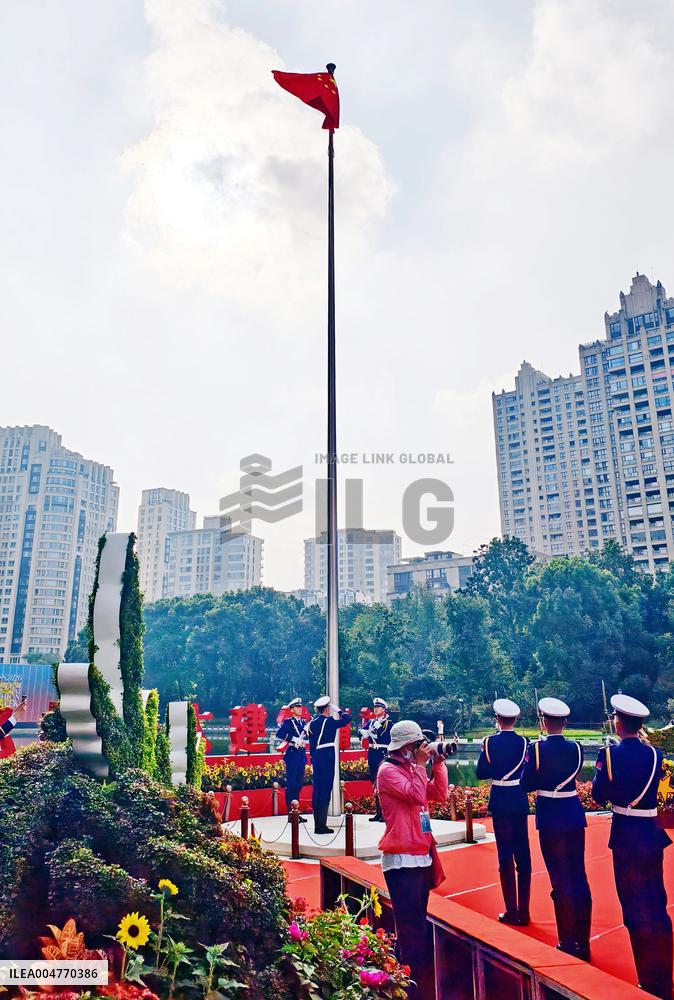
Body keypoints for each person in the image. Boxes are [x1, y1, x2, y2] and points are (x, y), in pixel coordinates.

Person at [593, 694, 673, 1000]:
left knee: (634, 908)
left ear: (617, 722)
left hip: (626, 834)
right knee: (656, 905)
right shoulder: (655, 753)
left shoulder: (610, 755)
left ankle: (648, 979)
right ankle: (664, 977)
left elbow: (599, 795)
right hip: (651, 833)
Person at [377, 720, 449, 1000]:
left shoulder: (410, 769)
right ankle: (408, 985)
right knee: (409, 927)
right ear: (405, 747)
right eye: (417, 745)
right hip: (400, 860)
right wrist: (420, 765)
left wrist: (438, 764)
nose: (421, 748)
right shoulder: (387, 771)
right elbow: (417, 795)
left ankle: (409, 980)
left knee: (418, 922)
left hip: (420, 855)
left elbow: (439, 794)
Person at [521, 697, 592, 960]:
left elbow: (526, 784)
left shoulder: (537, 749)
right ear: (565, 722)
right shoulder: (576, 748)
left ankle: (567, 940)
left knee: (559, 878)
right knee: (579, 876)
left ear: (543, 721)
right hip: (572, 813)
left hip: (550, 815)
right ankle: (583, 942)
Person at [476, 698, 531, 926]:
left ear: (497, 719)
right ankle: (524, 912)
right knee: (523, 856)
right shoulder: (525, 742)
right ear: (515, 719)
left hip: (500, 799)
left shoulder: (489, 742)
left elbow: (481, 772)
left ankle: (511, 910)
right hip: (518, 798)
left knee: (505, 856)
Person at [307, 696, 351, 835]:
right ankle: (322, 826)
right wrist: (338, 710)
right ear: (327, 709)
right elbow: (347, 719)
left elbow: (312, 745)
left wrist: (313, 760)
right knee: (326, 790)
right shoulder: (330, 721)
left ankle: (317, 825)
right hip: (327, 756)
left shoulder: (312, 724)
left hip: (317, 757)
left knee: (317, 791)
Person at [276, 698, 309, 823]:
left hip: (301, 755)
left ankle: (296, 812)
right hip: (292, 755)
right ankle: (291, 814)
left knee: (299, 785)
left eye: (300, 707)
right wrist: (294, 739)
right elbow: (280, 734)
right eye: (297, 707)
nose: (300, 709)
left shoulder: (303, 723)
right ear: (292, 710)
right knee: (291, 785)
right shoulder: (288, 722)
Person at [360, 697, 392, 823]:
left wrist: (373, 730)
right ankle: (378, 812)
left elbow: (383, 736)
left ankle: (385, 813)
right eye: (375, 707)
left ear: (384, 710)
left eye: (378, 707)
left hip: (382, 754)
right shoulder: (371, 722)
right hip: (372, 754)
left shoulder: (388, 723)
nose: (376, 709)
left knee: (383, 785)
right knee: (375, 784)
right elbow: (361, 731)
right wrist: (362, 731)